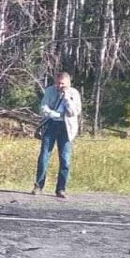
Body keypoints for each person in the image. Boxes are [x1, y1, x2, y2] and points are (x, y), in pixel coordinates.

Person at [33, 71, 83, 199]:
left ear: (68, 83)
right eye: (57, 83)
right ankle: (38, 186)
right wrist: (53, 114)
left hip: (66, 128)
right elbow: (43, 108)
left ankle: (61, 188)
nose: (59, 86)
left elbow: (74, 112)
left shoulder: (74, 93)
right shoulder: (50, 91)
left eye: (62, 83)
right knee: (44, 155)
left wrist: (66, 98)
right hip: (51, 125)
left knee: (65, 159)